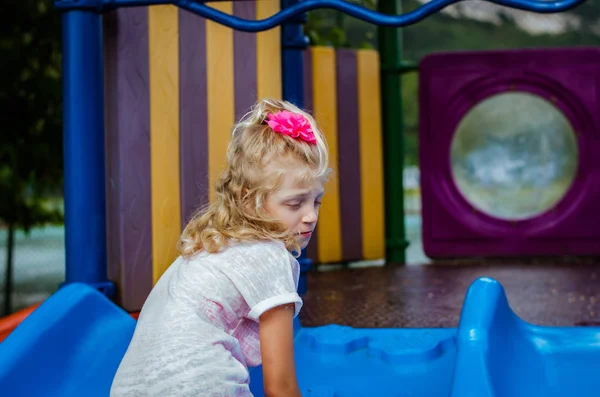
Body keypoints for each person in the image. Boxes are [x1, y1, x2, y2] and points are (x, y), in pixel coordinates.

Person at [110, 98, 330, 397]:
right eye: (294, 203)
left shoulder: (212, 244)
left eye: (316, 201)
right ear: (251, 200)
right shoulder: (270, 256)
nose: (311, 216)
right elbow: (280, 386)